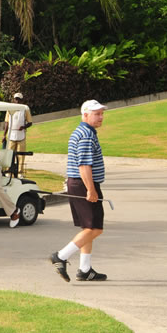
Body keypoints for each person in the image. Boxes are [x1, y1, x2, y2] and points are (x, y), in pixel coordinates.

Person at [50, 100, 108, 282]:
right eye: (96, 114)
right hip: (84, 184)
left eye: (101, 114)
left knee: (88, 227)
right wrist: (91, 189)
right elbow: (84, 165)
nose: (101, 117)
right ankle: (61, 256)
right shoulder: (85, 135)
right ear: (85, 115)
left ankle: (85, 270)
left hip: (79, 183)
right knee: (95, 228)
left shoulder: (85, 132)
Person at [3, 92, 33, 178]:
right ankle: (8, 171)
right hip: (11, 134)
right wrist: (4, 135)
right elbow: (6, 122)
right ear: (14, 99)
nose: (17, 101)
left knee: (21, 155)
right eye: (16, 99)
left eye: (19, 99)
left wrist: (24, 127)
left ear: (21, 100)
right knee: (9, 153)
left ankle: (20, 172)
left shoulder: (25, 108)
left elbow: (30, 122)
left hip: (21, 135)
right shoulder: (9, 108)